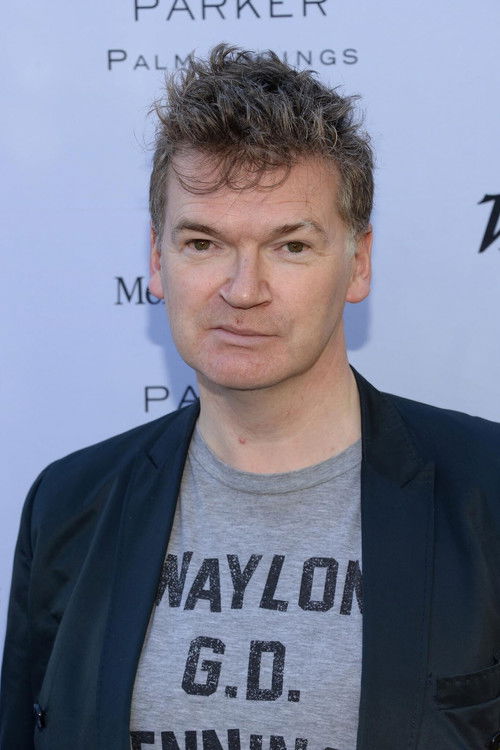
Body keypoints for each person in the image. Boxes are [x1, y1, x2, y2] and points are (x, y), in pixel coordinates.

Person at [1, 44, 499, 750]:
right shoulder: (69, 503)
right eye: (203, 243)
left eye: (290, 246)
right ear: (157, 261)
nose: (243, 290)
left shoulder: (487, 490)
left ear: (358, 263)